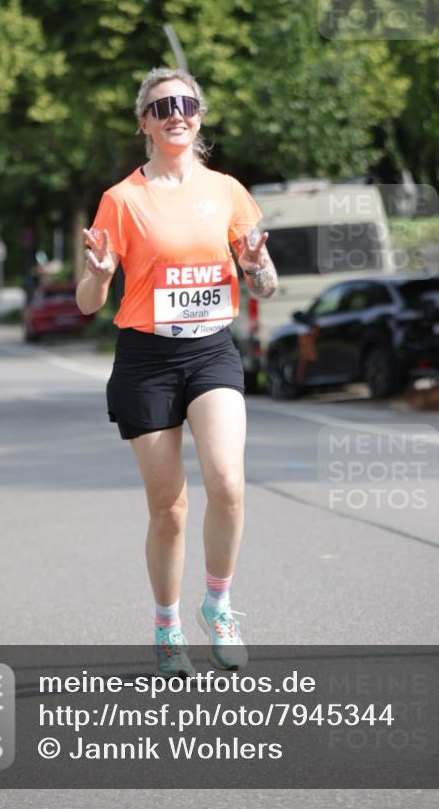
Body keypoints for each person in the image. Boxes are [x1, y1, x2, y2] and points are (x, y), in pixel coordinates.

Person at [76, 68, 277, 676]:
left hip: (212, 349)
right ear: (144, 121)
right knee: (169, 508)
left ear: (200, 115)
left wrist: (255, 269)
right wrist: (102, 275)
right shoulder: (122, 199)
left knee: (229, 483)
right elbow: (88, 301)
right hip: (147, 358)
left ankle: (218, 605)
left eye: (186, 103)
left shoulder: (228, 192)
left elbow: (267, 283)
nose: (175, 113)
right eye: (162, 106)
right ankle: (166, 624)